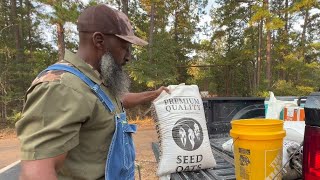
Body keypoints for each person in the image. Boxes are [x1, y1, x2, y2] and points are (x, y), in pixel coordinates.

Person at [15, 4, 168, 180]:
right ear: (99, 41)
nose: (128, 57)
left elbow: (113, 102)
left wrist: (154, 94)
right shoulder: (63, 87)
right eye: (125, 47)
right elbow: (36, 173)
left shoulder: (93, 81)